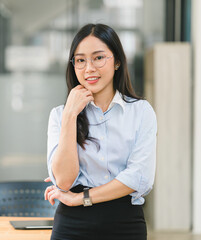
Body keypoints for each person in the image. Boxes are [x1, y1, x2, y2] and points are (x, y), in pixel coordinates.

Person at [44, 23, 157, 240]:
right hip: (71, 225)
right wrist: (70, 115)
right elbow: (64, 182)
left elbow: (139, 177)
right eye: (80, 60)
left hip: (125, 223)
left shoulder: (141, 112)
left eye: (98, 58)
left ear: (116, 61)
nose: (89, 69)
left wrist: (82, 198)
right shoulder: (60, 115)